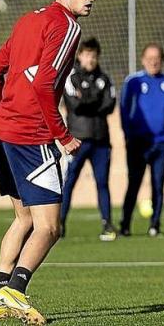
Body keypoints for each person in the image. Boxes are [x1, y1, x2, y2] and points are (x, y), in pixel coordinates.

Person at [0, 0, 102, 324]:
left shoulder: (27, 20)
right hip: (32, 137)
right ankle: (15, 291)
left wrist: (8, 111)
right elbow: (44, 83)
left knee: (23, 220)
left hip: (3, 133)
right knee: (49, 227)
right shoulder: (67, 26)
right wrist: (62, 135)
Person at [119, 43, 164, 237]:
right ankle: (125, 225)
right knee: (134, 184)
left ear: (162, 60)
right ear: (143, 60)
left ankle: (155, 225)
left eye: (157, 58)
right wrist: (128, 135)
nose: (153, 61)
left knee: (158, 184)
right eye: (149, 58)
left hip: (162, 144)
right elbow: (123, 109)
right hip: (138, 143)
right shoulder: (133, 81)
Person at [60, 37, 117, 241]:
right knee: (69, 182)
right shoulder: (70, 77)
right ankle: (60, 224)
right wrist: (94, 99)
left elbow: (109, 105)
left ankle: (107, 224)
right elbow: (74, 106)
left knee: (102, 182)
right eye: (86, 55)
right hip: (77, 140)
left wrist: (85, 97)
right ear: (80, 56)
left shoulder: (105, 78)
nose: (90, 60)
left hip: (101, 139)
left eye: (94, 56)